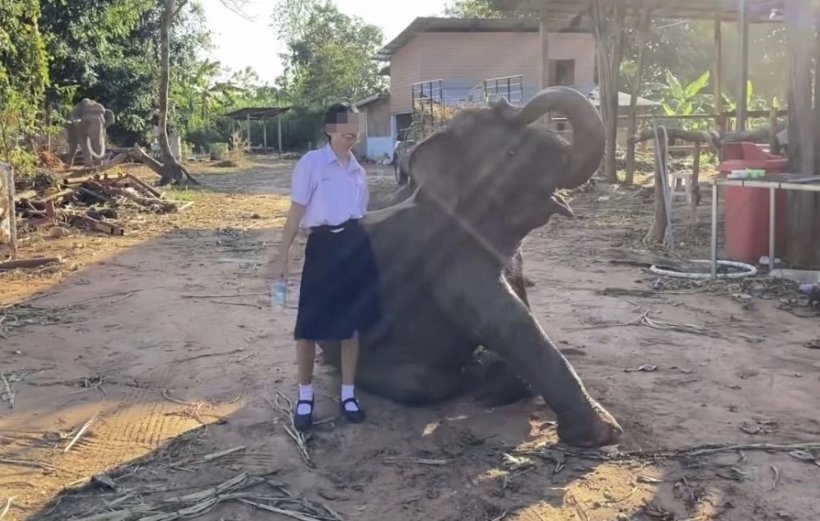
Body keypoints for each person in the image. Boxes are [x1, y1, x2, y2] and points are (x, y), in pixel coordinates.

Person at [269, 102, 381, 432]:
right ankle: (305, 396)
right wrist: (282, 255)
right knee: (308, 327)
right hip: (322, 247)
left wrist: (407, 206)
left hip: (354, 247)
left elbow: (362, 217)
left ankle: (348, 394)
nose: (352, 130)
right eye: (345, 124)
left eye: (356, 124)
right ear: (329, 129)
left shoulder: (358, 172)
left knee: (352, 326)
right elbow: (295, 211)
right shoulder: (312, 164)